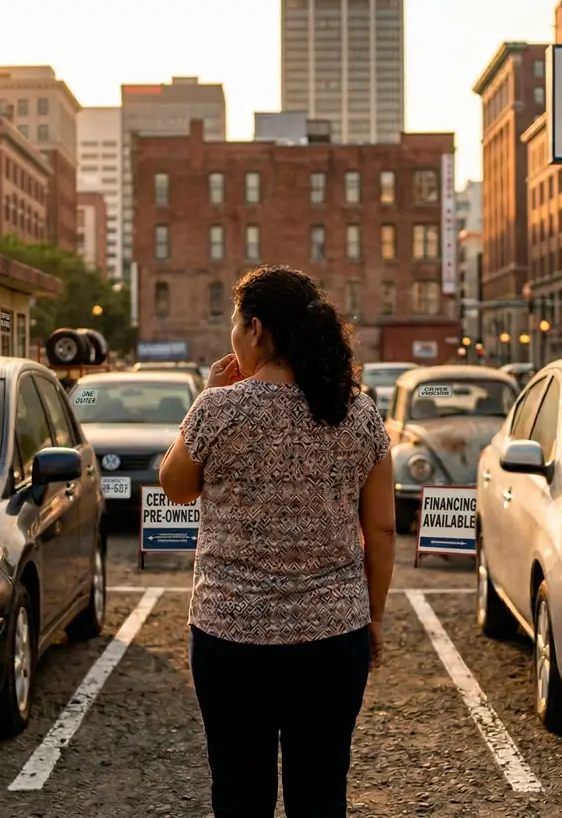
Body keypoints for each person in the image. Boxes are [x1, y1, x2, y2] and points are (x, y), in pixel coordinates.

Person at [158, 264, 396, 817]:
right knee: (320, 793)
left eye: (236, 326)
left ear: (257, 329)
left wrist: (205, 398)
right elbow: (381, 529)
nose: (233, 339)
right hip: (334, 635)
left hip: (230, 637)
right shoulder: (356, 414)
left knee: (241, 791)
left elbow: (174, 488)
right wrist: (374, 615)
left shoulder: (219, 409)